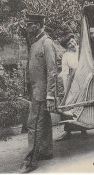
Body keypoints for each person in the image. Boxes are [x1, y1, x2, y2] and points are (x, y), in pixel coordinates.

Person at [20, 14, 57, 173]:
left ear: (38, 24)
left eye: (29, 25)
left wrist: (50, 95)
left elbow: (52, 71)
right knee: (45, 121)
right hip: (35, 91)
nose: (27, 28)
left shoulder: (47, 43)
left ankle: (30, 162)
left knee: (34, 125)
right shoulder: (36, 42)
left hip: (42, 92)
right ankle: (46, 151)